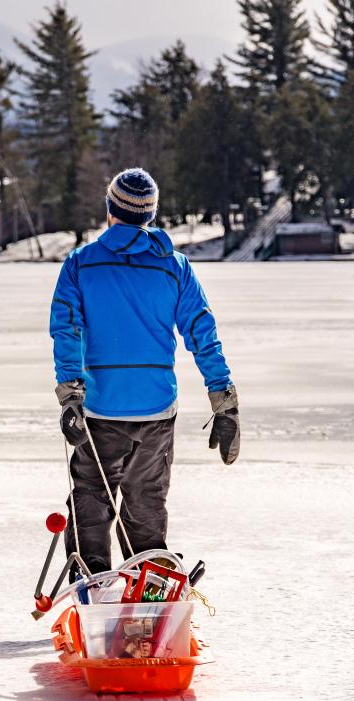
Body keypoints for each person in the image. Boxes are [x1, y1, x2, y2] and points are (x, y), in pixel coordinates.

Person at [49, 168, 239, 575]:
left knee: (91, 496)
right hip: (155, 407)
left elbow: (67, 327)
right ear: (149, 215)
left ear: (110, 208)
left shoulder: (80, 264)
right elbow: (202, 332)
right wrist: (224, 401)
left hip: (100, 407)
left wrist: (70, 394)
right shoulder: (175, 267)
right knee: (146, 498)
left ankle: (92, 578)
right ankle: (149, 580)